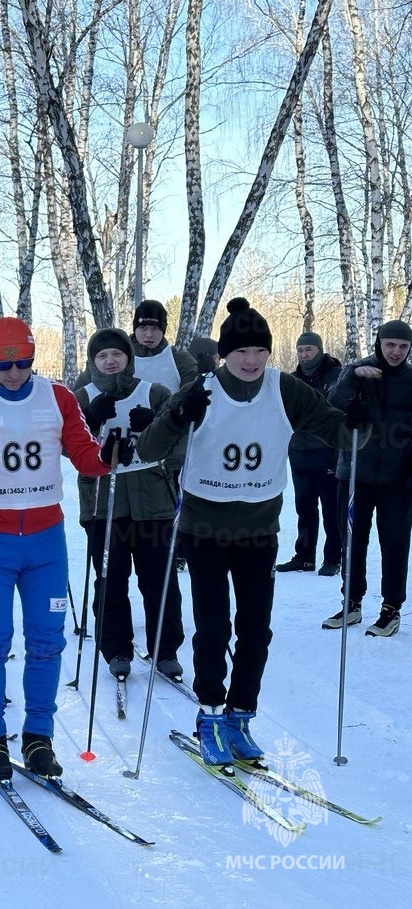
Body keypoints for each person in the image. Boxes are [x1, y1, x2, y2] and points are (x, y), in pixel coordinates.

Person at [138, 298, 366, 765]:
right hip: (204, 527)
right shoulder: (200, 389)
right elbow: (150, 446)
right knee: (214, 626)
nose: (250, 360)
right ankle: (209, 714)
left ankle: (241, 716)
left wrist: (357, 424)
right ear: (226, 354)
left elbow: (335, 430)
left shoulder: (285, 389)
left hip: (259, 530)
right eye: (240, 351)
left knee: (256, 628)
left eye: (258, 350)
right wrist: (178, 415)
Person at [0, 316, 116, 782]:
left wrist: (111, 451)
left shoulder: (58, 397)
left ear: (33, 358)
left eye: (24, 363)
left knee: (48, 640)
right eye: (3, 364)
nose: (14, 374)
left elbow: (88, 458)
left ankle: (38, 738)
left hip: (46, 540)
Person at [73, 328, 185, 680]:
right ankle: (116, 648)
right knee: (110, 578)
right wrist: (90, 419)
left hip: (153, 499)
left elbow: (182, 441)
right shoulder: (81, 397)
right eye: (102, 356)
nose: (110, 361)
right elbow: (66, 447)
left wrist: (155, 429)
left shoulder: (153, 392)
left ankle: (165, 650)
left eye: (117, 355)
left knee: (159, 580)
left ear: (128, 358)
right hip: (103, 502)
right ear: (93, 362)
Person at [322, 320, 412, 637]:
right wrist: (351, 378)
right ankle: (352, 603)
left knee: (395, 544)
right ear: (379, 344)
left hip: (397, 480)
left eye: (403, 346)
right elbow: (331, 405)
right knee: (352, 539)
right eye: (390, 345)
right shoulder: (358, 372)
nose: (396, 352)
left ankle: (391, 610)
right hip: (356, 473)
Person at [277, 333, 344, 576]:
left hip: (327, 452)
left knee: (330, 509)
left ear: (320, 350)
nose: (304, 355)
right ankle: (304, 557)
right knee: (304, 508)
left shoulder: (336, 376)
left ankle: (333, 558)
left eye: (309, 350)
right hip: (299, 453)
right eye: (300, 350)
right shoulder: (293, 381)